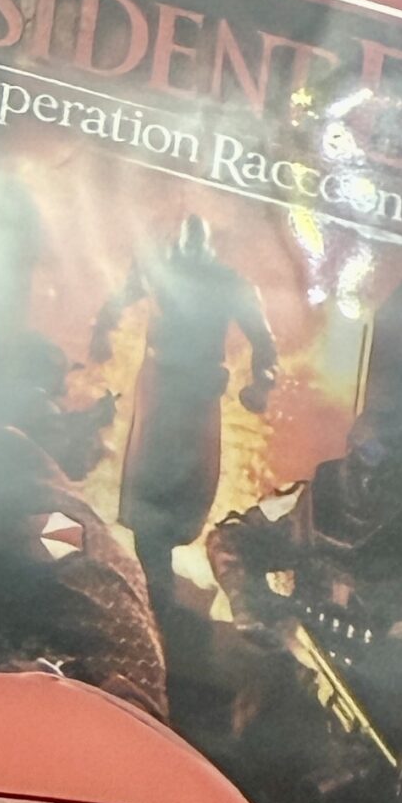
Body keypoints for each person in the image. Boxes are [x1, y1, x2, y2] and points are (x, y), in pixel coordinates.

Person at [92, 213, 278, 628]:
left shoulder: (228, 283)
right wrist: (101, 333)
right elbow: (118, 302)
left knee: (186, 489)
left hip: (197, 392)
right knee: (151, 490)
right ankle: (155, 592)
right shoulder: (159, 270)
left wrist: (262, 382)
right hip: (161, 390)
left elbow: (264, 342)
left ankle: (159, 593)